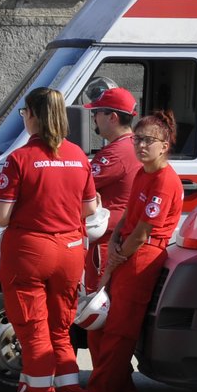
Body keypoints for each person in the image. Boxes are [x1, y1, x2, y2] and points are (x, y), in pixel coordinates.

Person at [0, 87, 99, 392]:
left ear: (34, 115)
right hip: (69, 252)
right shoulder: (79, 157)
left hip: (30, 252)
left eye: (24, 113)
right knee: (60, 335)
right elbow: (89, 210)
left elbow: (0, 216)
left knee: (35, 336)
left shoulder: (20, 159)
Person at [84, 110, 184, 392]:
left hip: (141, 259)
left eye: (147, 141)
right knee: (98, 334)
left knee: (116, 339)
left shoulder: (165, 180)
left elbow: (143, 233)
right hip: (126, 251)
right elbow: (128, 217)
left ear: (164, 145)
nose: (140, 145)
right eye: (138, 139)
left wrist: (115, 258)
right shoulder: (143, 174)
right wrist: (114, 239)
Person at [82, 86, 140, 293]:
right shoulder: (132, 145)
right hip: (118, 238)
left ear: (112, 117)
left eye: (96, 112)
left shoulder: (116, 154)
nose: (94, 118)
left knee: (97, 303)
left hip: (107, 240)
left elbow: (76, 185)